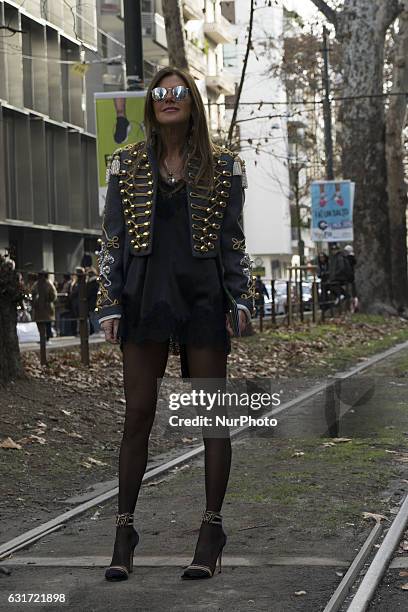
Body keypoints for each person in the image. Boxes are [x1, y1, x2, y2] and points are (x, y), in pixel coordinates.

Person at [94, 66, 255, 582]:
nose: (168, 98)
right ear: (150, 105)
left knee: (212, 416)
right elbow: (112, 240)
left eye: (178, 92)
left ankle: (211, 532)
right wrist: (109, 303)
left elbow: (233, 240)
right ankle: (124, 531)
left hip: (204, 295)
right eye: (159, 93)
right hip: (144, 295)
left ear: (192, 103)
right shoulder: (125, 165)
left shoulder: (224, 166)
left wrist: (241, 298)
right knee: (137, 414)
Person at [31, 270, 57, 341]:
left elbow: (53, 295)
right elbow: (54, 295)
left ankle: (46, 337)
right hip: (43, 307)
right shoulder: (45, 284)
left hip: (44, 307)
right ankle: (45, 337)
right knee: (43, 323)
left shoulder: (42, 284)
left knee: (45, 323)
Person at [86, 267, 100, 334]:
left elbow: (88, 293)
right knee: (95, 317)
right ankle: (97, 330)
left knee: (93, 317)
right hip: (97, 301)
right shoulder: (97, 281)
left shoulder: (91, 283)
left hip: (92, 302)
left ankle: (97, 331)